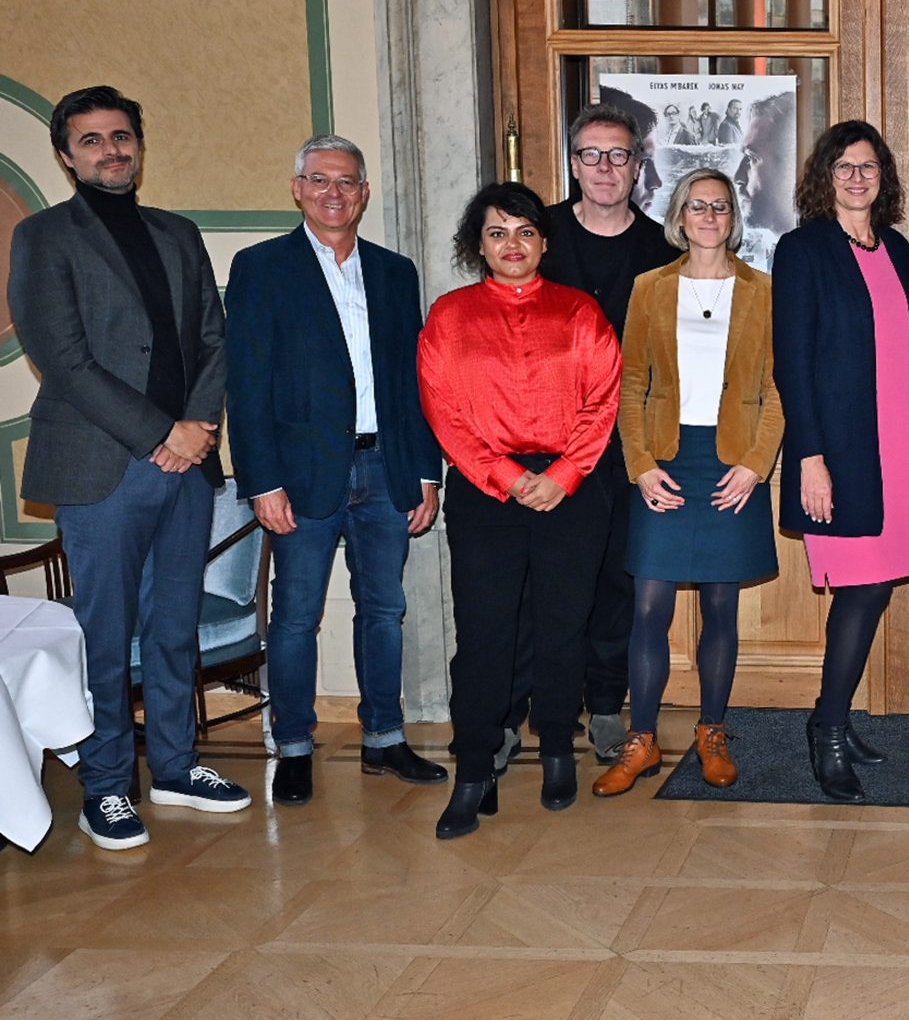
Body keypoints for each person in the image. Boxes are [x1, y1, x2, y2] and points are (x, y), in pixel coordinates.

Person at [8, 85, 249, 849]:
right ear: (65, 155)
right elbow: (65, 360)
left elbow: (214, 338)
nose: (112, 151)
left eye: (122, 137)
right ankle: (107, 787)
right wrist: (162, 433)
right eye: (92, 141)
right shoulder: (45, 238)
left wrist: (199, 427)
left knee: (174, 627)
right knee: (106, 636)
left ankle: (175, 768)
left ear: (139, 144)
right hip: (103, 467)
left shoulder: (176, 232)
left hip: (187, 464)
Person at [225, 135, 446, 806]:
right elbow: (247, 384)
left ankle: (384, 737)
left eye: (347, 182)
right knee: (295, 618)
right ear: (297, 189)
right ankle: (292, 744)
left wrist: (426, 473)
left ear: (364, 193)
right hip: (299, 477)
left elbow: (414, 384)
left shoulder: (393, 272)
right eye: (320, 180)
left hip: (386, 469)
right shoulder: (261, 268)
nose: (334, 193)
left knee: (385, 609)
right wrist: (260, 481)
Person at [419, 182, 620, 837]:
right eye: (498, 233)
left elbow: (602, 400)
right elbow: (445, 412)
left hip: (572, 490)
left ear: (543, 242)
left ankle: (559, 747)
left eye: (526, 232)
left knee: (564, 627)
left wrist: (562, 475)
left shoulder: (580, 311)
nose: (514, 245)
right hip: (485, 495)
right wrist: (507, 477)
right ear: (477, 245)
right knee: (484, 635)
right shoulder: (449, 317)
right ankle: (475, 767)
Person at [593, 169, 784, 796]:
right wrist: (641, 464)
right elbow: (633, 385)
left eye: (720, 207)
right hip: (665, 461)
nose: (709, 216)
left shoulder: (764, 290)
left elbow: (775, 391)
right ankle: (642, 739)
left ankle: (712, 731)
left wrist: (756, 467)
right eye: (697, 206)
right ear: (680, 216)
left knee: (720, 606)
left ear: (734, 217)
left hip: (732, 463)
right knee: (649, 605)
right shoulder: (651, 288)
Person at [772, 120, 909, 802]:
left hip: (894, 446)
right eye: (844, 167)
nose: (857, 177)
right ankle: (828, 728)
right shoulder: (802, 249)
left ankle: (831, 716)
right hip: (838, 450)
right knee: (861, 589)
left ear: (883, 177)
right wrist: (809, 457)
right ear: (823, 177)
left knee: (879, 586)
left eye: (868, 166)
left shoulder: (895, 247)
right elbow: (792, 362)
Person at [538, 105, 680, 768]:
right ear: (573, 164)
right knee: (550, 583)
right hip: (546, 438)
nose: (604, 167)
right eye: (591, 155)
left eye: (618, 155)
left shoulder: (662, 250)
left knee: (617, 583)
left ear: (637, 165)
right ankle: (544, 710)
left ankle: (603, 707)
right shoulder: (535, 239)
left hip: (630, 442)